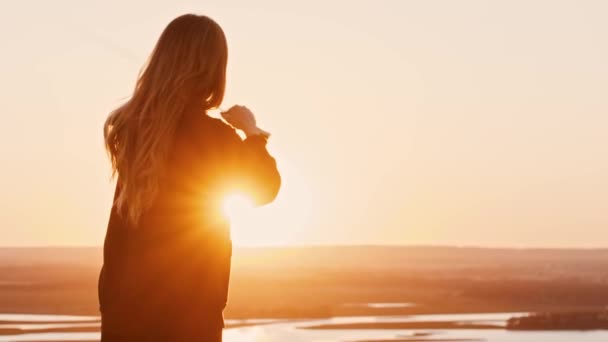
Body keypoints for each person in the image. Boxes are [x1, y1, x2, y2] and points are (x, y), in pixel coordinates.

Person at [98, 14, 281, 341]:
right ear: (213, 70)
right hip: (191, 319)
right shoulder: (214, 138)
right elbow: (264, 189)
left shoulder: (132, 133)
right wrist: (252, 132)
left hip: (123, 318)